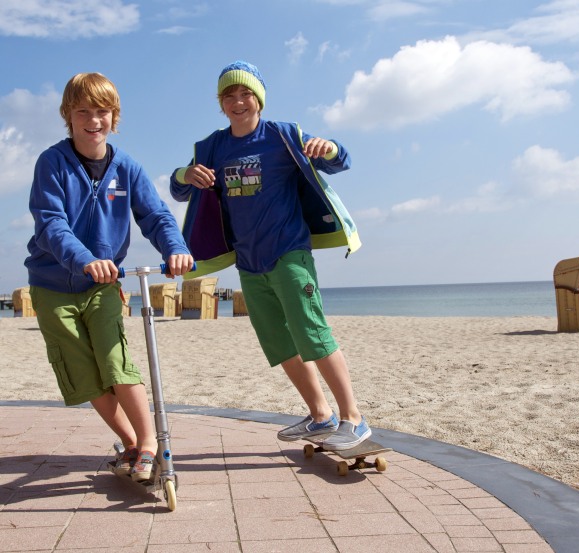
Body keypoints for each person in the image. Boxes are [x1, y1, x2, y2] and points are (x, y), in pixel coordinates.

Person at [170, 61, 370, 450]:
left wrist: (327, 146)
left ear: (258, 99)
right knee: (279, 344)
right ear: (221, 104)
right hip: (249, 262)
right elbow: (180, 190)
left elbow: (340, 159)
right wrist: (184, 174)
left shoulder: (282, 135)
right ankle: (320, 416)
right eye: (229, 96)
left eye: (245, 93)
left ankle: (354, 419)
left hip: (289, 253)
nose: (238, 101)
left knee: (313, 333)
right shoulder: (212, 146)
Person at [25, 72, 194, 481]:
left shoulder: (127, 168)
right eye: (83, 111)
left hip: (103, 285)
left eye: (102, 111)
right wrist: (85, 259)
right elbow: (51, 224)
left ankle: (151, 445)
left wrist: (175, 248)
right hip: (52, 286)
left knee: (115, 360)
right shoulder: (52, 163)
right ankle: (131, 444)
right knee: (83, 374)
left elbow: (154, 215)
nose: (93, 119)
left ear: (114, 116)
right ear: (68, 114)